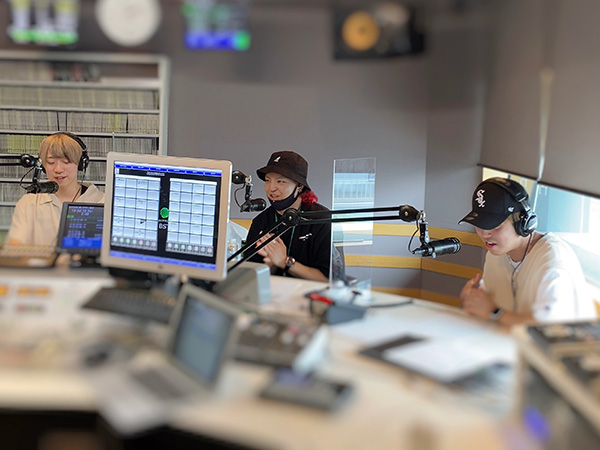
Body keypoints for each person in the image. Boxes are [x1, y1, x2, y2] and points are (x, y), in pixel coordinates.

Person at [459, 177, 596, 326]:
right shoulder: (495, 254)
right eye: (479, 224)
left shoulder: (553, 265)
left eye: (495, 226)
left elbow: (548, 329)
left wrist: (494, 312)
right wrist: (474, 298)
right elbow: (488, 303)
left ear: (523, 223)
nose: (485, 234)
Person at [244, 150, 344, 282]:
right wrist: (270, 264)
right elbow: (250, 278)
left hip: (310, 293)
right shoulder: (261, 222)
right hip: (273, 292)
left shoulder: (322, 220)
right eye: (268, 180)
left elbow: (330, 280)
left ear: (299, 186)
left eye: (280, 181)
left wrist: (284, 261)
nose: (271, 188)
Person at [6, 132, 105, 246]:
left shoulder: (103, 202)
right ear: (43, 166)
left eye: (66, 162)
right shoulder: (30, 202)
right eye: (51, 162)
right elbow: (15, 244)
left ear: (80, 164)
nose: (58, 169)